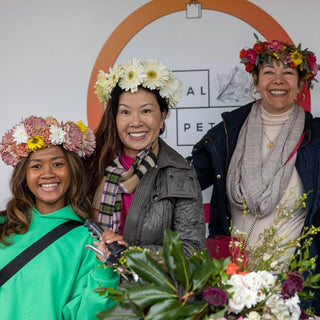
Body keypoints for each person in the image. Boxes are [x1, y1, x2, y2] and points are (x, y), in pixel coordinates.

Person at [190, 36, 320, 312]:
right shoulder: (229, 132)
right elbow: (188, 178)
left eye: (288, 72)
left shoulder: (316, 137)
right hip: (235, 283)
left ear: (301, 84)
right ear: (256, 81)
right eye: (269, 71)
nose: (278, 79)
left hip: (294, 283)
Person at [0, 116, 119, 320]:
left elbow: (86, 315)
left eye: (57, 164)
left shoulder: (88, 241)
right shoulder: (4, 225)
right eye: (36, 166)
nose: (47, 174)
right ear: (25, 177)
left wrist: (106, 271)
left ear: (72, 172)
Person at [85, 58, 206, 257]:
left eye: (146, 111)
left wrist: (129, 254)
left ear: (163, 116)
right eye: (125, 112)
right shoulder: (92, 165)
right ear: (114, 117)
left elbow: (191, 250)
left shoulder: (179, 172)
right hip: (96, 283)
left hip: (151, 286)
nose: (135, 122)